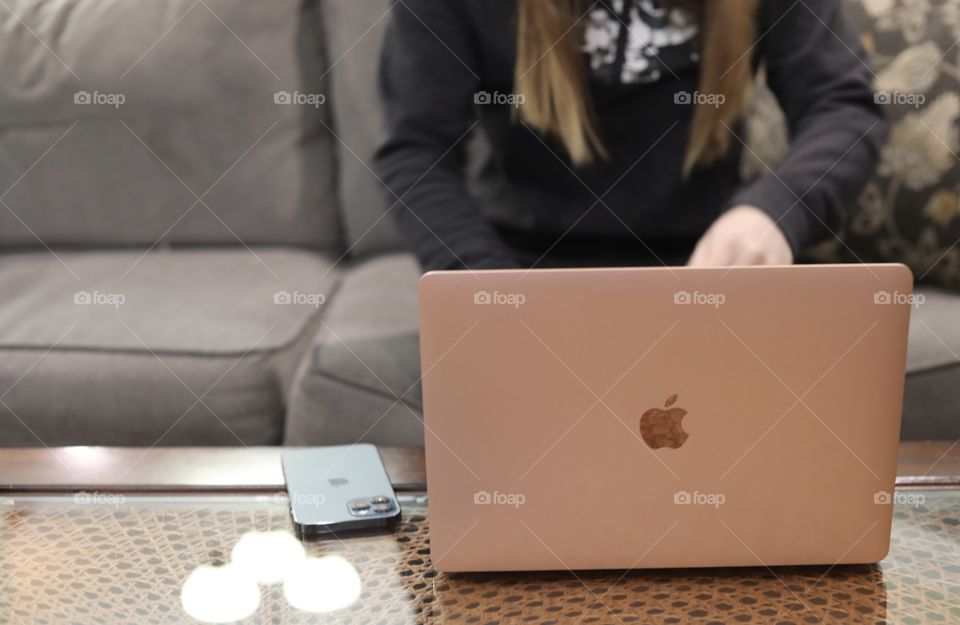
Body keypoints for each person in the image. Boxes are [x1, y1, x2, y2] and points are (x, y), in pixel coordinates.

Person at [375, 0, 885, 271]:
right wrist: (484, 284)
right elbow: (417, 150)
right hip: (515, 266)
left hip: (709, 270)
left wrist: (775, 211)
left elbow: (841, 106)